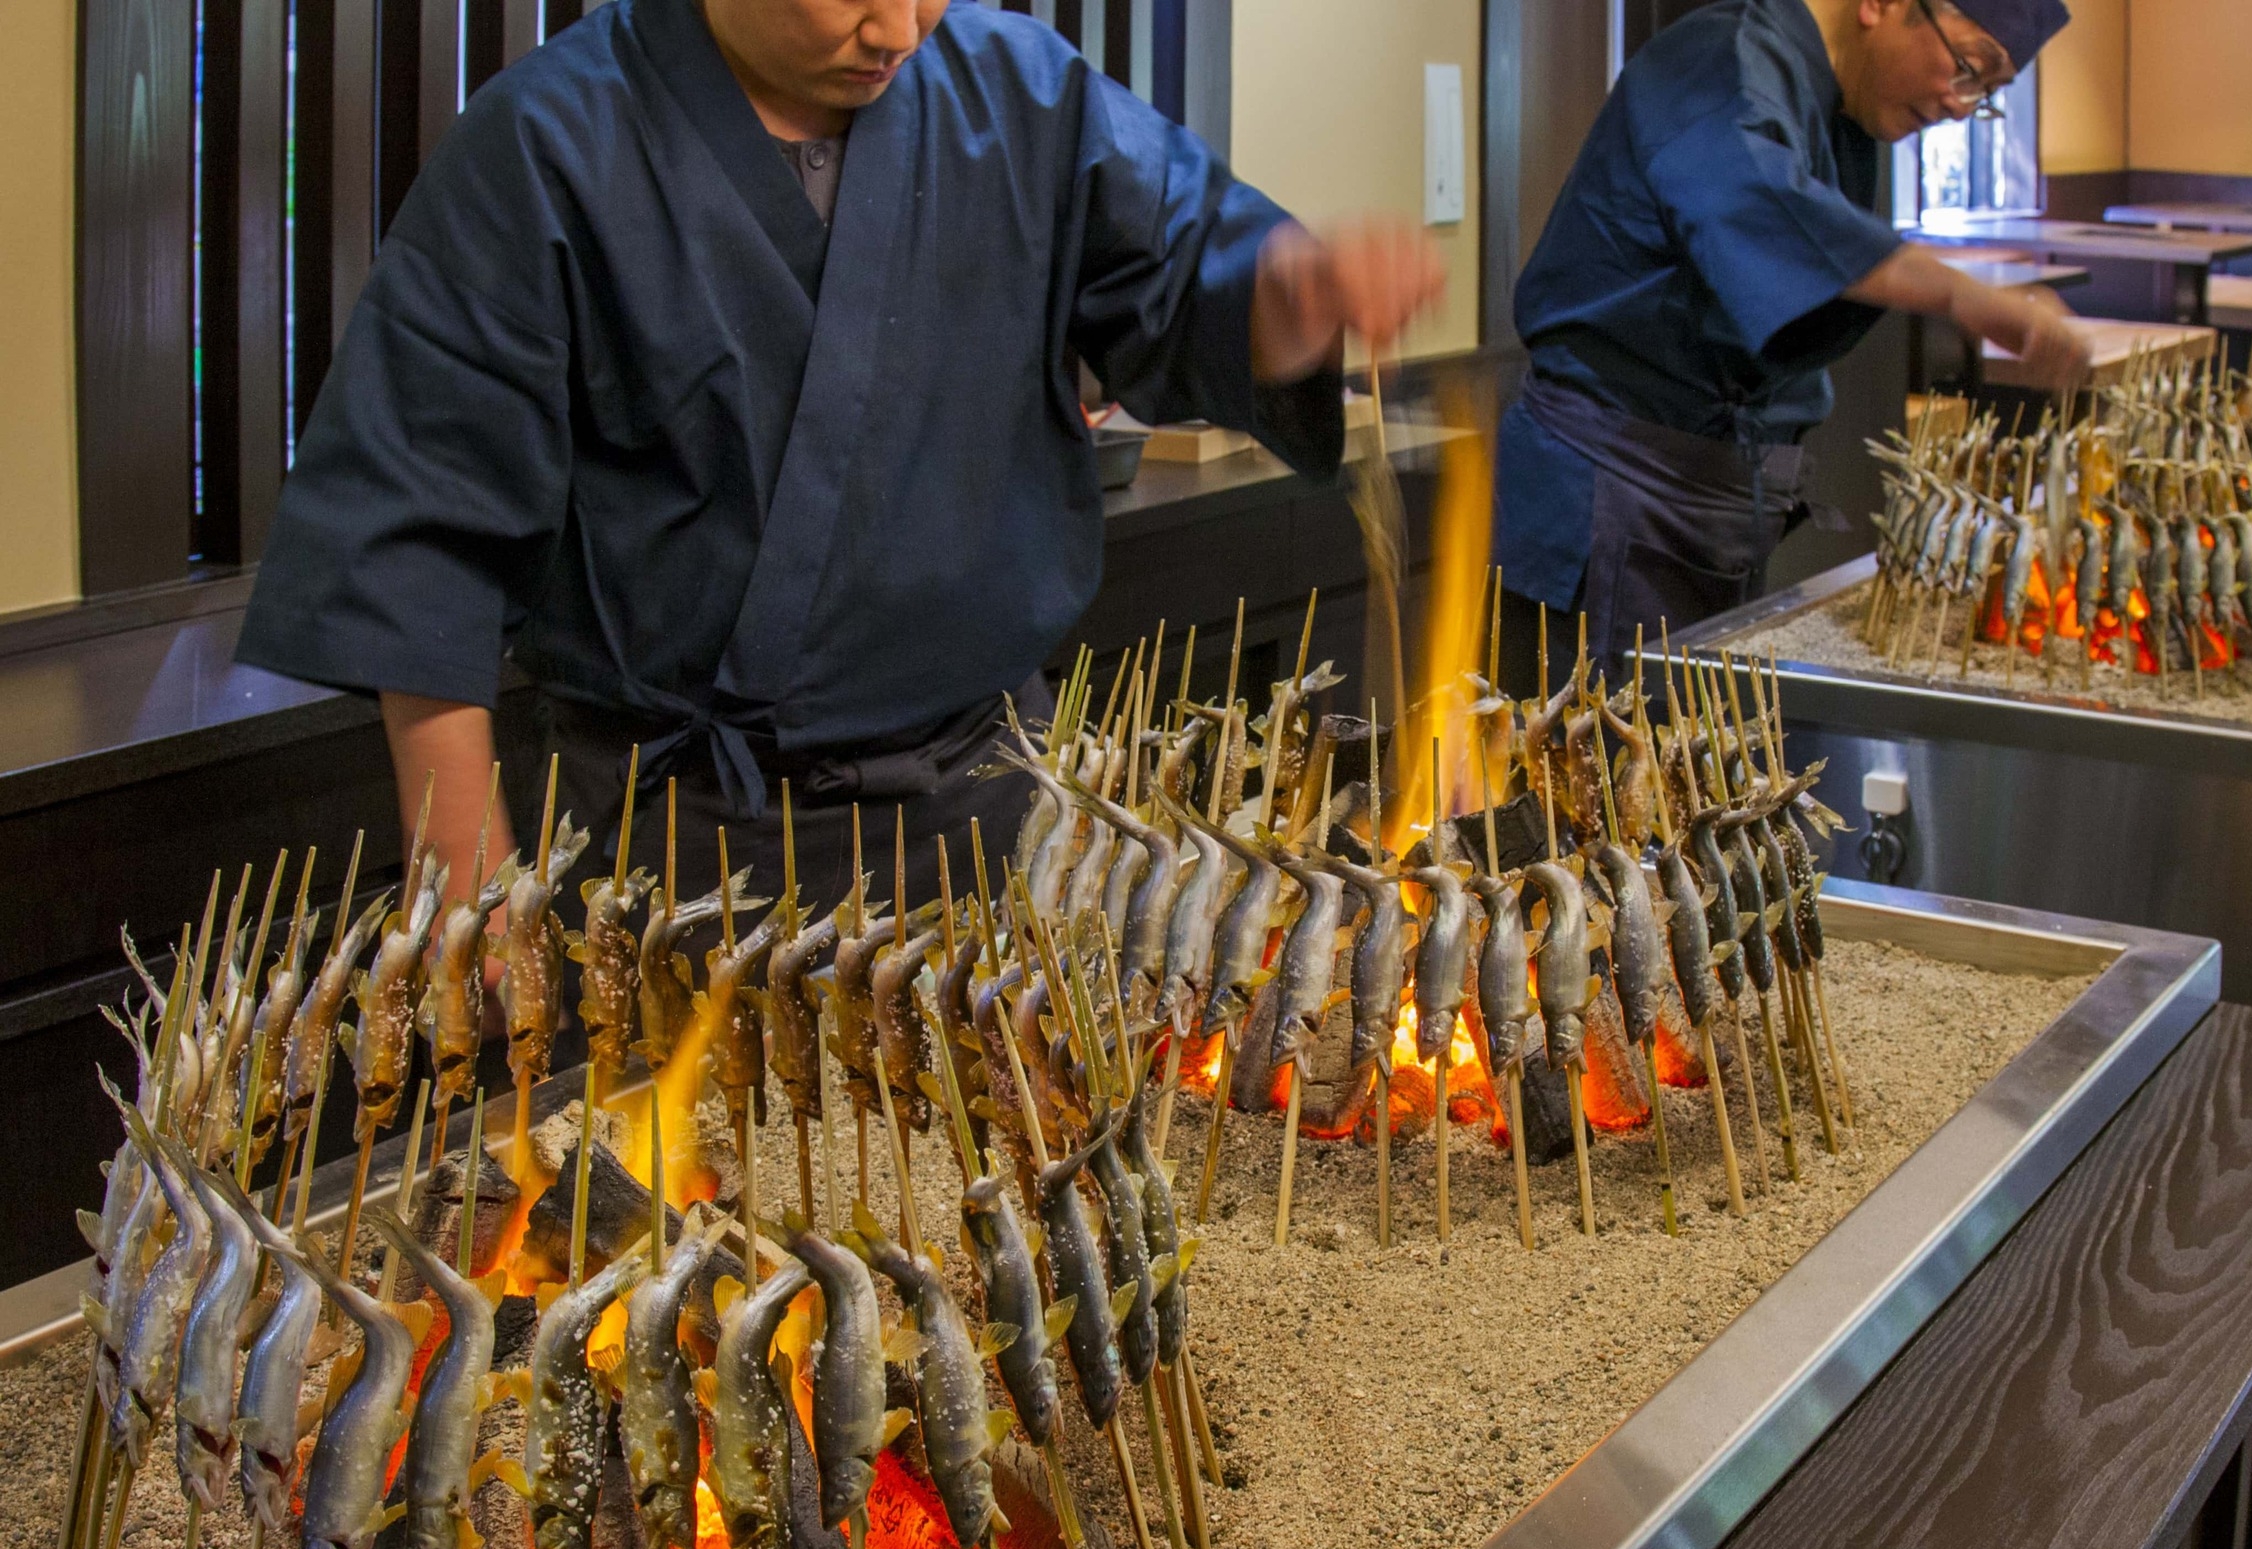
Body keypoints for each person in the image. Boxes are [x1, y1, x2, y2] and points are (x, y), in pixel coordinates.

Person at [236, 0, 1444, 911]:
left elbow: (1190, 287)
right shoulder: (543, 148)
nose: (901, 28)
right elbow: (418, 543)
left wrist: (1298, 295)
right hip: (682, 848)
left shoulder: (1018, 94)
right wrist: (470, 889)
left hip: (997, 812)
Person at [1494, 0, 2089, 661]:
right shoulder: (1717, 59)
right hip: (1608, 497)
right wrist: (1962, 294)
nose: (1959, 104)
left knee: (1693, 751)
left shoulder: (1842, 107)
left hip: (1708, 500)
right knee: (1588, 754)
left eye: (1985, 95)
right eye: (1969, 69)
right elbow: (1757, 202)